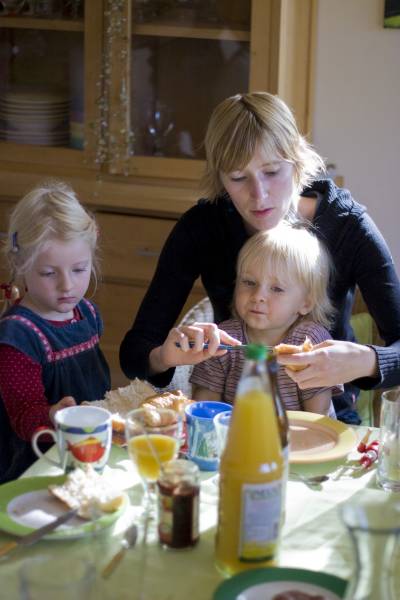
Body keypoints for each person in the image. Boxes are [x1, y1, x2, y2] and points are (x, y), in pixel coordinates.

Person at [120, 91, 400, 424]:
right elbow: (134, 352)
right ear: (220, 178)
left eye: (272, 172)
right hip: (230, 416)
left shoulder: (348, 227)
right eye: (238, 178)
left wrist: (365, 361)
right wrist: (164, 356)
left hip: (325, 421)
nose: (259, 195)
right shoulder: (203, 227)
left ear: (297, 161)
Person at [0, 181, 110, 483]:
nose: (67, 285)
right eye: (49, 273)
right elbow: (23, 418)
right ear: (20, 264)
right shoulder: (18, 337)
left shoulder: (86, 313)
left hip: (87, 450)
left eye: (79, 269)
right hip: (38, 463)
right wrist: (51, 414)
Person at [190, 223, 341, 416]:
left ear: (305, 303)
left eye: (277, 289)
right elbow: (204, 404)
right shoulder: (225, 339)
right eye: (249, 282)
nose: (257, 296)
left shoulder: (309, 341)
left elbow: (317, 415)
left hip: (298, 438)